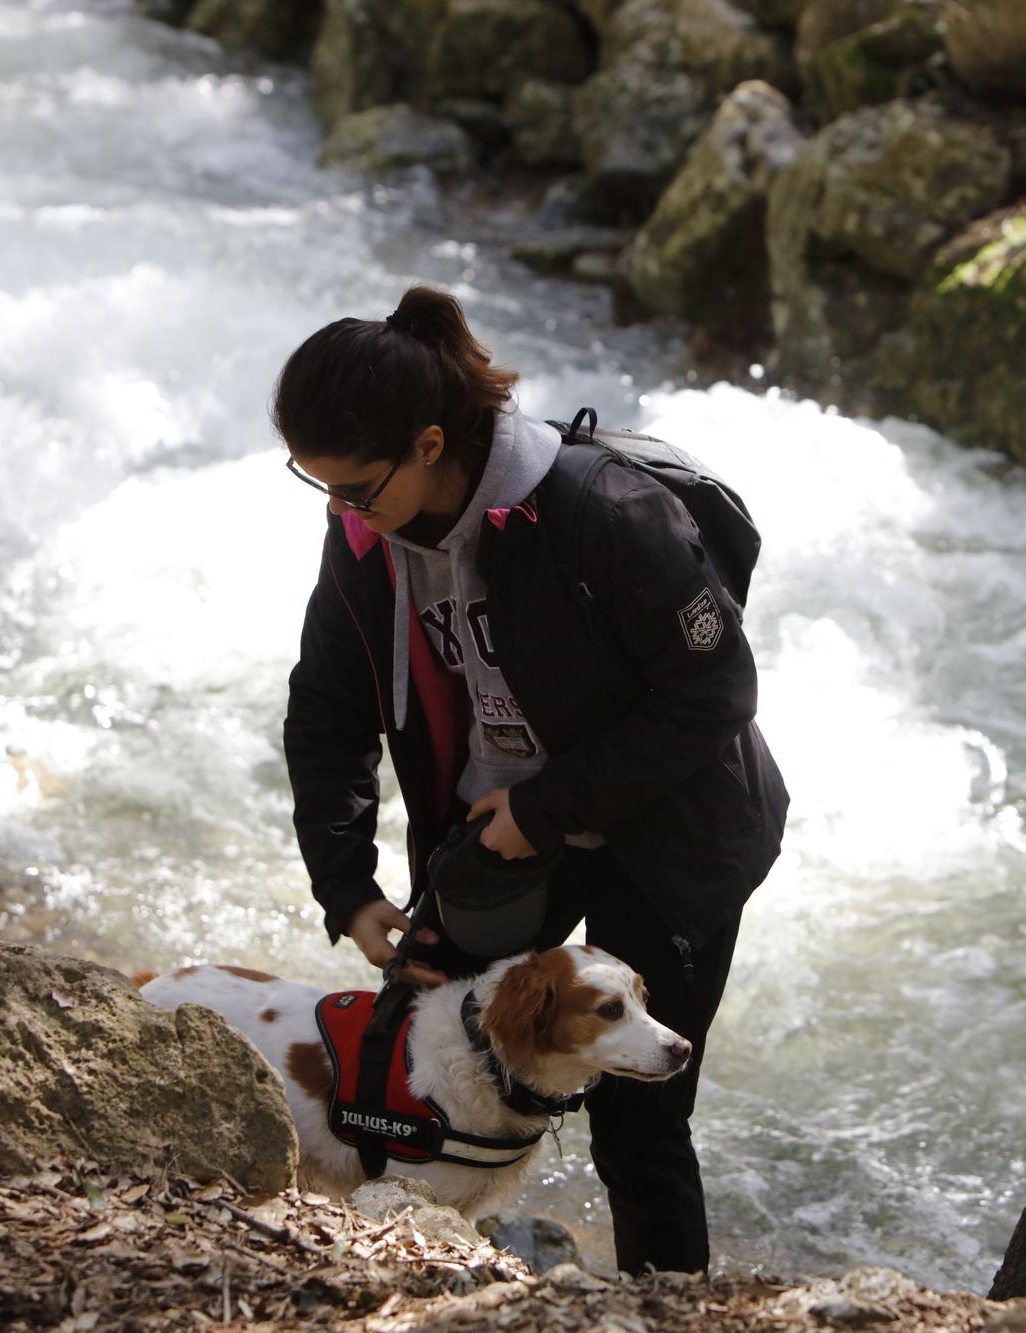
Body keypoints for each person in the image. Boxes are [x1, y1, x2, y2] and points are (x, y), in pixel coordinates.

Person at [272, 284, 788, 1275]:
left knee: (637, 1127)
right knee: (430, 1040)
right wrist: (345, 883)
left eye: (353, 487)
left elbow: (715, 690)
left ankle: (660, 1304)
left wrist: (544, 807)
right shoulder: (362, 541)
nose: (341, 513)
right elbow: (326, 711)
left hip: (666, 836)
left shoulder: (603, 510)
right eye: (318, 487)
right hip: (502, 838)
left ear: (429, 443)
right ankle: (435, 1267)